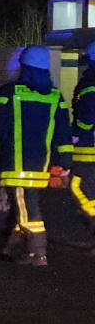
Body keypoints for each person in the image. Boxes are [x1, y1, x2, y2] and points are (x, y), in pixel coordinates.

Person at [0, 45, 72, 266]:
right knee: (23, 204)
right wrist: (64, 164)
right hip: (41, 167)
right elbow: (63, 135)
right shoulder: (55, 97)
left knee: (27, 207)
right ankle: (9, 245)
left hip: (15, 166)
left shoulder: (9, 93)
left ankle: (37, 253)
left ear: (24, 67)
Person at [70, 42, 95, 250]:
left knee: (77, 186)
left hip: (89, 148)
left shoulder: (90, 84)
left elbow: (87, 116)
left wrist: (78, 133)